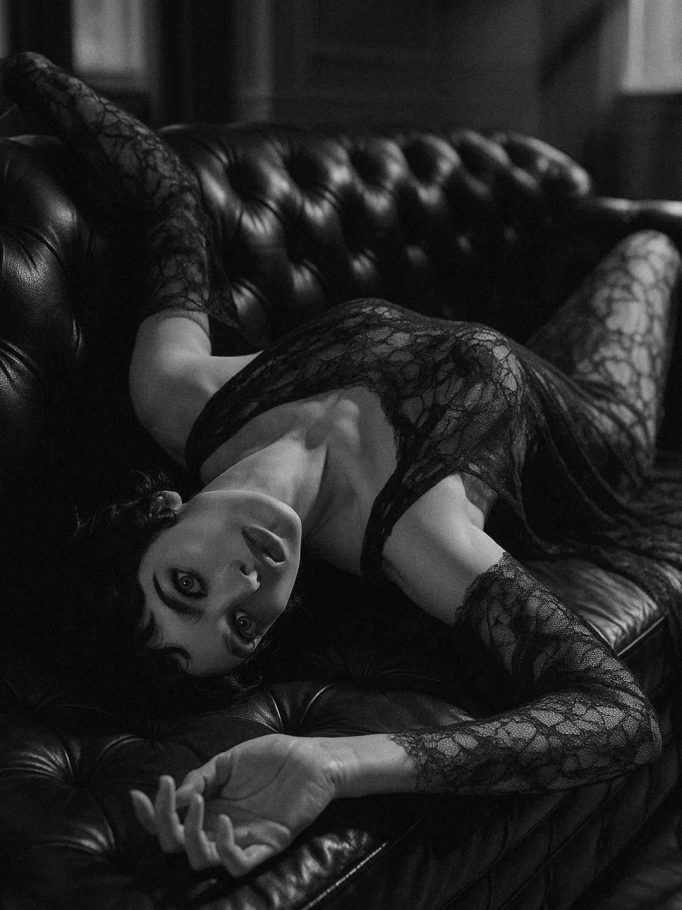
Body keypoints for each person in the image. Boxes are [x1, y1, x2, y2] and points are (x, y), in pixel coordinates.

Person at [2, 51, 678, 877]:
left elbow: (168, 198)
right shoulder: (417, 536)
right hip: (598, 425)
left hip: (532, 366)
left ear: (159, 517)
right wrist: (331, 764)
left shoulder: (174, 393)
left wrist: (23, 70)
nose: (245, 586)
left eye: (186, 585)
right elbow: (618, 716)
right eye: (243, 627)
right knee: (653, 242)